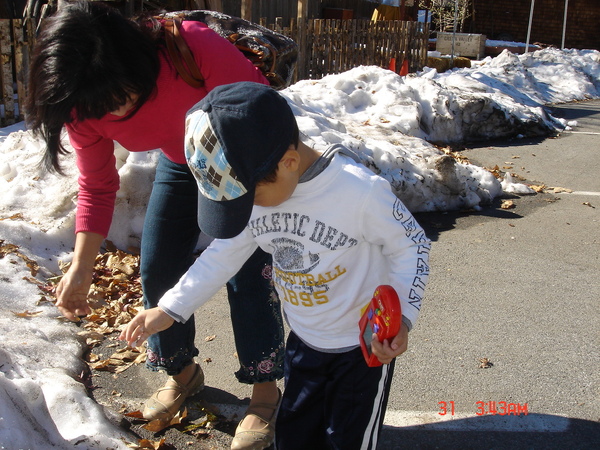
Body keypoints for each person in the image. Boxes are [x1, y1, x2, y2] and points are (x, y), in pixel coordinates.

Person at [24, 2, 283, 448]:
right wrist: (81, 267)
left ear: (135, 57)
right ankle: (181, 372)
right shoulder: (82, 103)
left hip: (241, 160)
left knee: (245, 272)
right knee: (158, 266)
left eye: (123, 92)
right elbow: (98, 187)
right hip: (182, 160)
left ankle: (265, 392)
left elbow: (264, 114)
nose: (118, 109)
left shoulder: (190, 48)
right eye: (104, 104)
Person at [120, 82, 431, 449]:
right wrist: (172, 307)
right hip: (303, 341)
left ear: (288, 162)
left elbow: (412, 247)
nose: (246, 212)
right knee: (295, 435)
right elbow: (224, 254)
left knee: (347, 439)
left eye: (249, 200)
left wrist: (402, 318)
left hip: (362, 351)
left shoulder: (359, 193)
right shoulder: (260, 193)